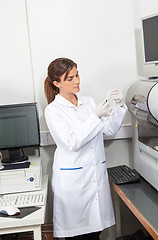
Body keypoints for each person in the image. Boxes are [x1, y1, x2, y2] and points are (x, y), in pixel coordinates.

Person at [44, 57, 127, 240]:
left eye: (77, 75)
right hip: (73, 184)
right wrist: (96, 117)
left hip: (95, 179)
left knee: (96, 232)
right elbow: (72, 142)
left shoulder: (88, 102)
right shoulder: (53, 110)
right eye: (70, 78)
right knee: (79, 236)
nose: (77, 81)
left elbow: (109, 129)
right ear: (57, 83)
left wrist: (119, 105)